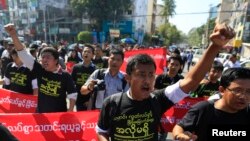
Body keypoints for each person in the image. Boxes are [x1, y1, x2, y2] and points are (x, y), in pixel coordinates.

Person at [95, 23, 235, 141]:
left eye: (151, 75)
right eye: (141, 74)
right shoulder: (111, 103)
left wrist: (215, 46)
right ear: (128, 78)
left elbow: (191, 80)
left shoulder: (158, 99)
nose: (147, 80)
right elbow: (101, 131)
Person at [4, 24, 77, 113]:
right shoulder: (39, 69)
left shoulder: (65, 75)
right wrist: (13, 35)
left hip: (58, 116)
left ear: (56, 60)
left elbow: (72, 95)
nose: (44, 60)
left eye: (48, 57)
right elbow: (23, 54)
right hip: (41, 116)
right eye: (43, 57)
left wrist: (69, 113)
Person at [172, 68, 250, 141]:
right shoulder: (203, 109)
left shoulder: (247, 112)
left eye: (248, 92)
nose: (243, 96)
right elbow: (179, 127)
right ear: (222, 90)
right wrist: (180, 135)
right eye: (237, 91)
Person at [71, 44, 96, 111]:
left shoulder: (95, 69)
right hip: (78, 99)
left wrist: (90, 101)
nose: (86, 53)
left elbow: (96, 88)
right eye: (84, 51)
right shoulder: (76, 67)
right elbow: (72, 83)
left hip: (91, 101)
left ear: (93, 55)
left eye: (89, 52)